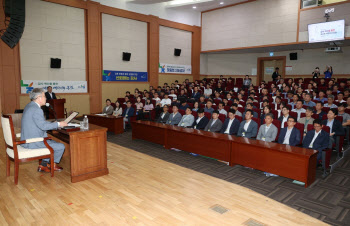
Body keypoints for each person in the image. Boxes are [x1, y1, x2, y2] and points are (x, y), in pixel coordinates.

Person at [21, 88, 67, 172]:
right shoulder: (37, 109)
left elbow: (38, 123)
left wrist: (54, 124)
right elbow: (43, 126)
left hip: (27, 139)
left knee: (52, 142)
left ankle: (43, 165)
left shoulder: (29, 105)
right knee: (60, 146)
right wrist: (59, 124)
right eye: (44, 96)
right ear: (39, 98)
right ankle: (52, 164)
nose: (46, 98)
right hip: (33, 142)